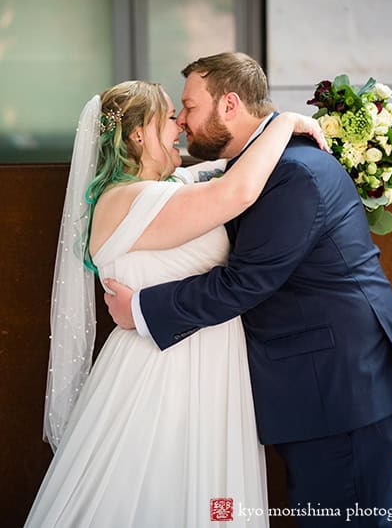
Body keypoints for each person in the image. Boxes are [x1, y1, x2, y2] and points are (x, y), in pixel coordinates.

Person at [105, 52, 392, 527]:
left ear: (230, 105)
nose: (182, 121)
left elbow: (247, 280)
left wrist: (144, 309)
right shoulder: (260, 166)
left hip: (345, 390)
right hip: (325, 386)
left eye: (190, 107)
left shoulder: (294, 172)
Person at [24, 79, 327, 528]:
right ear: (137, 135)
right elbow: (235, 193)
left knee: (206, 503)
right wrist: (283, 122)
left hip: (198, 362)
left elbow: (218, 171)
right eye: (169, 116)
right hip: (165, 374)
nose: (180, 125)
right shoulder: (134, 198)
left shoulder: (156, 190)